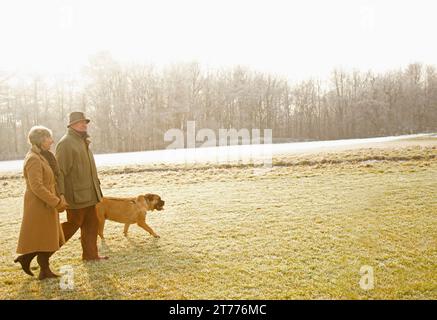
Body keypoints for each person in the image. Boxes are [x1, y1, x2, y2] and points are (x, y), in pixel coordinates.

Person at [15, 126, 68, 280]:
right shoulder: (33, 159)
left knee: (49, 239)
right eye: (49, 138)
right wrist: (56, 201)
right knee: (45, 238)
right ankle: (40, 268)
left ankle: (34, 264)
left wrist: (57, 198)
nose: (52, 141)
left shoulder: (41, 156)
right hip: (39, 206)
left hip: (46, 204)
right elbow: (37, 186)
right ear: (41, 140)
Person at [56, 111, 108, 261]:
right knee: (72, 226)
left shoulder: (82, 141)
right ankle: (41, 252)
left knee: (92, 225)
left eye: (85, 122)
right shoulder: (66, 143)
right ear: (72, 125)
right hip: (75, 197)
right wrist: (61, 195)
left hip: (89, 195)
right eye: (80, 122)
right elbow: (60, 172)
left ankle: (91, 256)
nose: (84, 125)